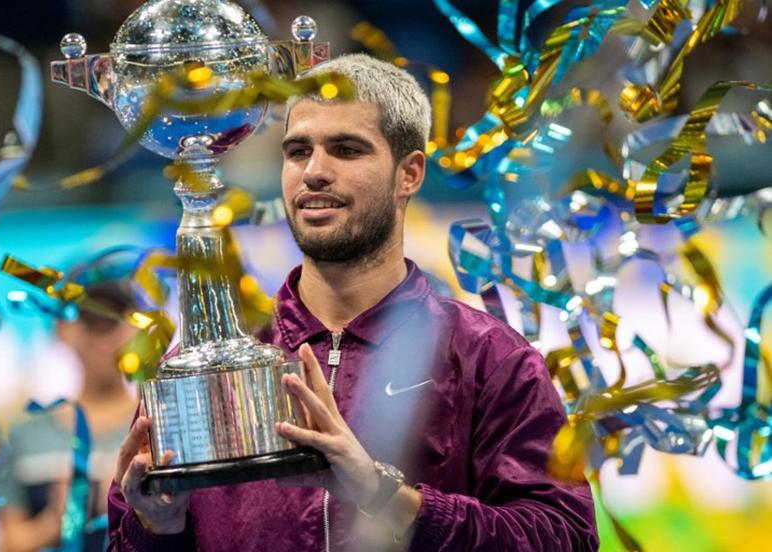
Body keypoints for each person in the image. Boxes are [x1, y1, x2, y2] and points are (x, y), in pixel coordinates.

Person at [107, 54, 599, 551]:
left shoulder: (487, 357)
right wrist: (155, 530)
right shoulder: (205, 367)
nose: (314, 172)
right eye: (298, 151)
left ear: (409, 174)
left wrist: (383, 494)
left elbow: (566, 537)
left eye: (346, 150)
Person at [0, 279, 140, 552]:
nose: (103, 334)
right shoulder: (23, 435)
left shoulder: (157, 426)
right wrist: (61, 516)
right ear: (62, 329)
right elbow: (6, 543)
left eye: (112, 318)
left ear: (136, 327)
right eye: (90, 319)